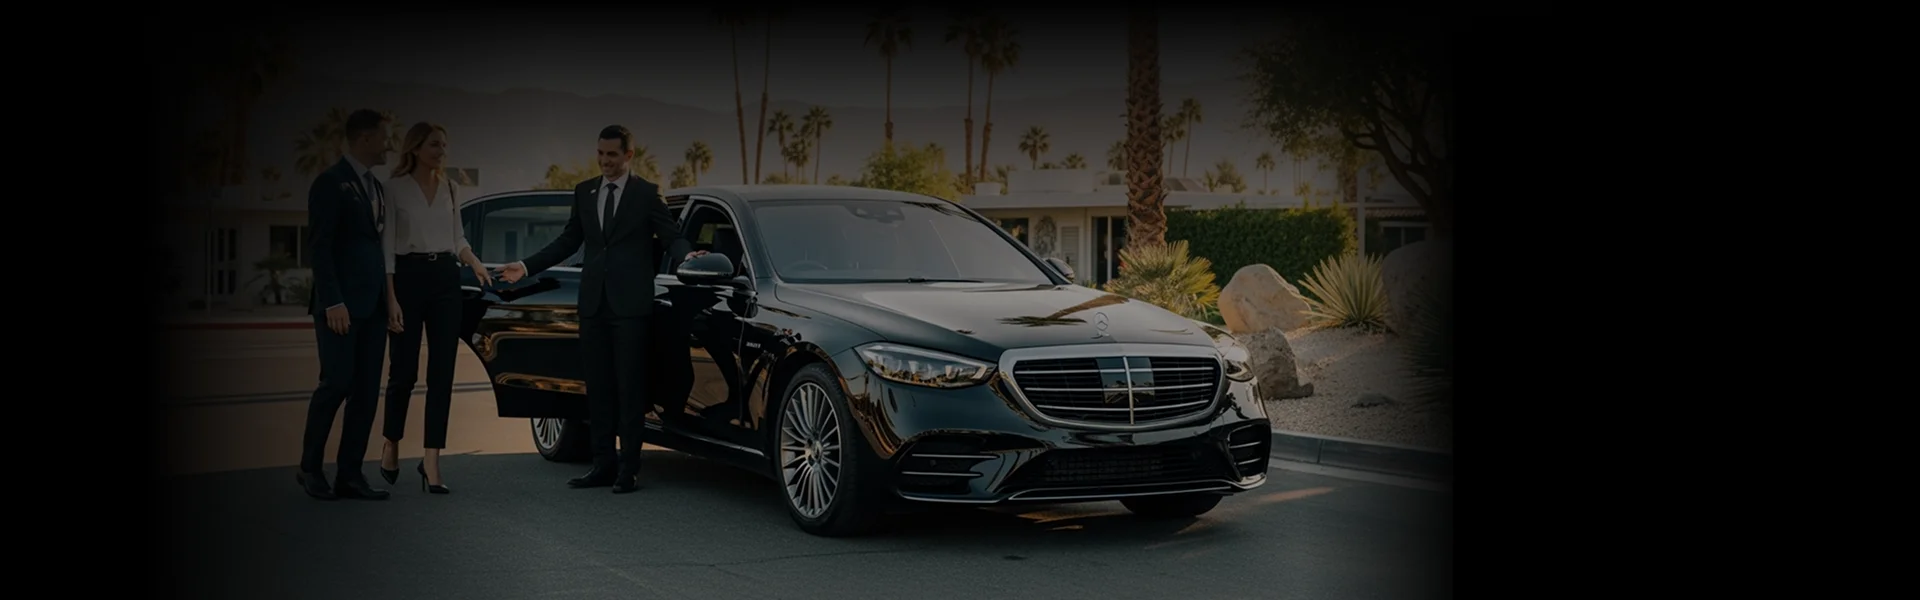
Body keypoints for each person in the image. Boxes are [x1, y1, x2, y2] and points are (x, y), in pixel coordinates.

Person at [495, 125, 704, 494]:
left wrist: (688, 254)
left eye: (612, 155)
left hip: (631, 308)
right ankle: (602, 465)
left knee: (629, 389)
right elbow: (567, 241)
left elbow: (671, 236)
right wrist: (526, 267)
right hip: (592, 306)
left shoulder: (646, 194)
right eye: (601, 154)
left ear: (628, 155)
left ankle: (629, 469)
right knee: (599, 389)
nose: (605, 161)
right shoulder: (585, 192)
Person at [376, 122, 491, 494]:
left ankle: (432, 462)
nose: (442, 150)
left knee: (442, 374)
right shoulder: (393, 189)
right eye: (434, 144)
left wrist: (473, 262)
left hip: (445, 278)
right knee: (403, 373)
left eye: (444, 144)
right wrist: (390, 298)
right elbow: (387, 250)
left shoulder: (452, 188)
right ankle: (391, 442)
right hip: (407, 278)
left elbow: (457, 237)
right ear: (416, 147)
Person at [297, 109, 394, 501]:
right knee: (335, 384)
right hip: (340, 307)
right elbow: (319, 248)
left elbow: (376, 246)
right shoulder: (330, 183)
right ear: (365, 138)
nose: (388, 144)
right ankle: (309, 467)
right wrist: (333, 300)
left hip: (373, 307)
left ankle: (350, 474)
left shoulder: (377, 187)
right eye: (384, 137)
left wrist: (389, 302)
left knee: (367, 391)